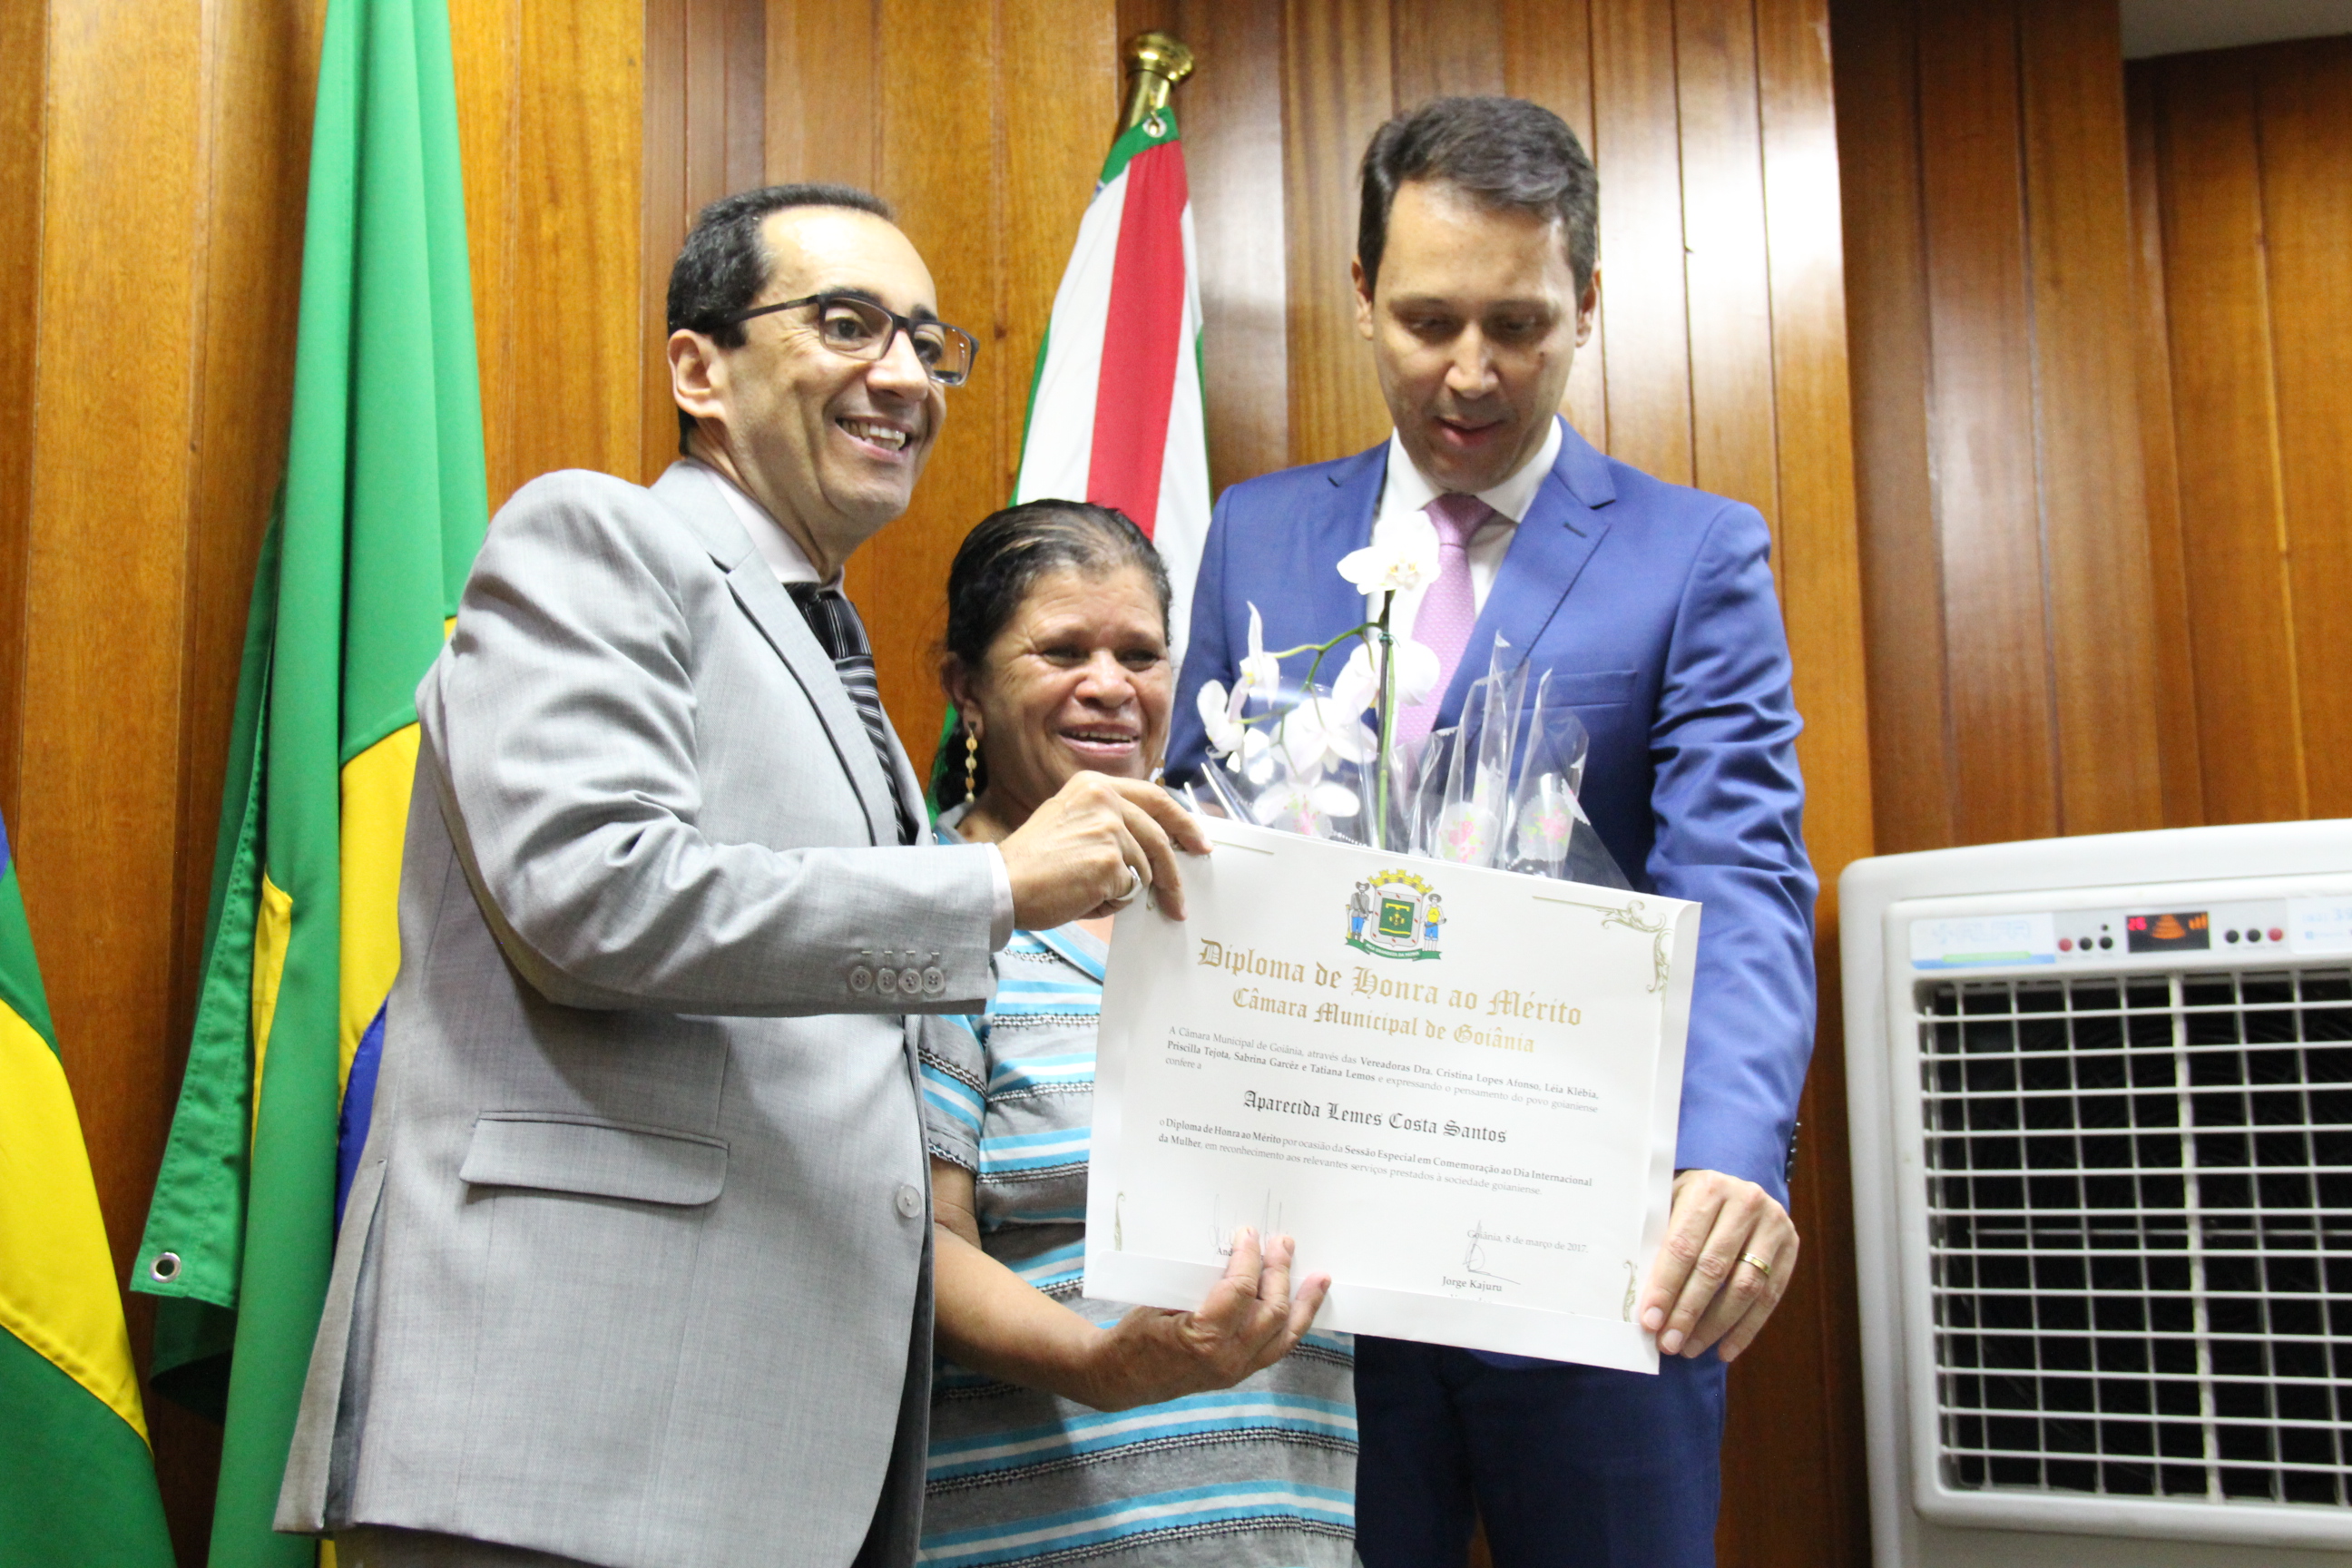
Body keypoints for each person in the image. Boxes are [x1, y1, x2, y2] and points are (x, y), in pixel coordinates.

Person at [274, 184, 1209, 1568]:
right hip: (565, 1433)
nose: (905, 375)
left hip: (760, 1463)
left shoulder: (829, 656)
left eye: (926, 342)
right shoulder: (596, 538)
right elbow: (591, 895)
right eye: (846, 324)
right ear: (698, 369)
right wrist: (992, 890)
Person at [1167, 98, 1814, 1568]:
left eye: (1517, 324)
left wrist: (1729, 1157)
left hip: (1592, 1246)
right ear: (1361, 295)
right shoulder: (1259, 532)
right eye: (1427, 320)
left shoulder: (1693, 554)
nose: (1469, 373)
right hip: (1308, 1258)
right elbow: (1199, 830)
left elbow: (1737, 873)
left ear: (1587, 302)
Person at [916, 499, 1355, 1568]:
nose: (1111, 684)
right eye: (1063, 651)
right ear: (966, 687)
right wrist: (1103, 1363)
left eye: (1141, 654)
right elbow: (920, 1243)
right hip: (1043, 1535)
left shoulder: (1277, 904)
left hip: (1287, 1532)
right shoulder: (929, 913)